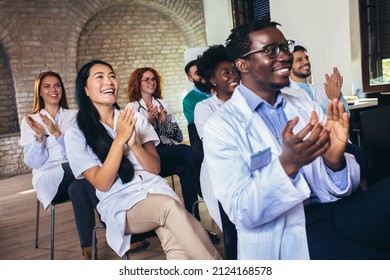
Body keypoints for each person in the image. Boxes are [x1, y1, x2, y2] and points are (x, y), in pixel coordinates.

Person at [202, 17, 390, 260]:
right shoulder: (221, 126)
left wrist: (335, 162)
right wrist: (287, 165)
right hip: (288, 233)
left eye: (285, 47)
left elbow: (344, 186)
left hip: (336, 208)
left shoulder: (303, 103)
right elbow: (241, 211)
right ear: (243, 65)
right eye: (271, 50)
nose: (285, 56)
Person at [64, 60, 221, 259]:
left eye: (112, 76)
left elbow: (155, 168)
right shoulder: (76, 133)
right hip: (122, 203)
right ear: (85, 89)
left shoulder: (134, 118)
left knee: (176, 245)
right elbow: (102, 183)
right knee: (170, 209)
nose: (109, 81)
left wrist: (135, 145)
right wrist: (120, 139)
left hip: (155, 190)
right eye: (100, 77)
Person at [125, 67, 220, 244]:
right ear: (137, 83)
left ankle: (194, 222)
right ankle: (206, 191)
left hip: (169, 153)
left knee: (185, 169)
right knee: (186, 152)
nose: (151, 82)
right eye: (146, 79)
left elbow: (177, 137)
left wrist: (164, 123)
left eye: (153, 79)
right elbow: (135, 141)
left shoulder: (163, 104)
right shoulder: (131, 108)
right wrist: (150, 122)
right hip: (149, 159)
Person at [20, 71, 99, 260]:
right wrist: (39, 137)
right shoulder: (31, 120)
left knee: (78, 187)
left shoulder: (74, 116)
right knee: (88, 170)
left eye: (57, 85)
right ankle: (115, 225)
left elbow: (82, 149)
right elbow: (34, 163)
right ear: (39, 91)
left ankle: (88, 247)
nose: (53, 90)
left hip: (76, 176)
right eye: (47, 86)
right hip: (50, 176)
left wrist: (57, 133)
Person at [194, 44, 239, 230]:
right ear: (213, 80)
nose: (233, 76)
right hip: (220, 171)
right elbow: (217, 143)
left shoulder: (247, 101)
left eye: (234, 71)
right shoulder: (204, 108)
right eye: (226, 73)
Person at [281, 45, 350, 116]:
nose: (306, 62)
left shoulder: (318, 90)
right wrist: (331, 99)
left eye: (306, 58)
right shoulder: (287, 93)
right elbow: (311, 121)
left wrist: (338, 95)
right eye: (299, 60)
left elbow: (346, 115)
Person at [182, 60, 212, 124]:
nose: (202, 75)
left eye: (202, 71)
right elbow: (195, 125)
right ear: (190, 79)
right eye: (197, 73)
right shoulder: (189, 100)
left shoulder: (220, 89)